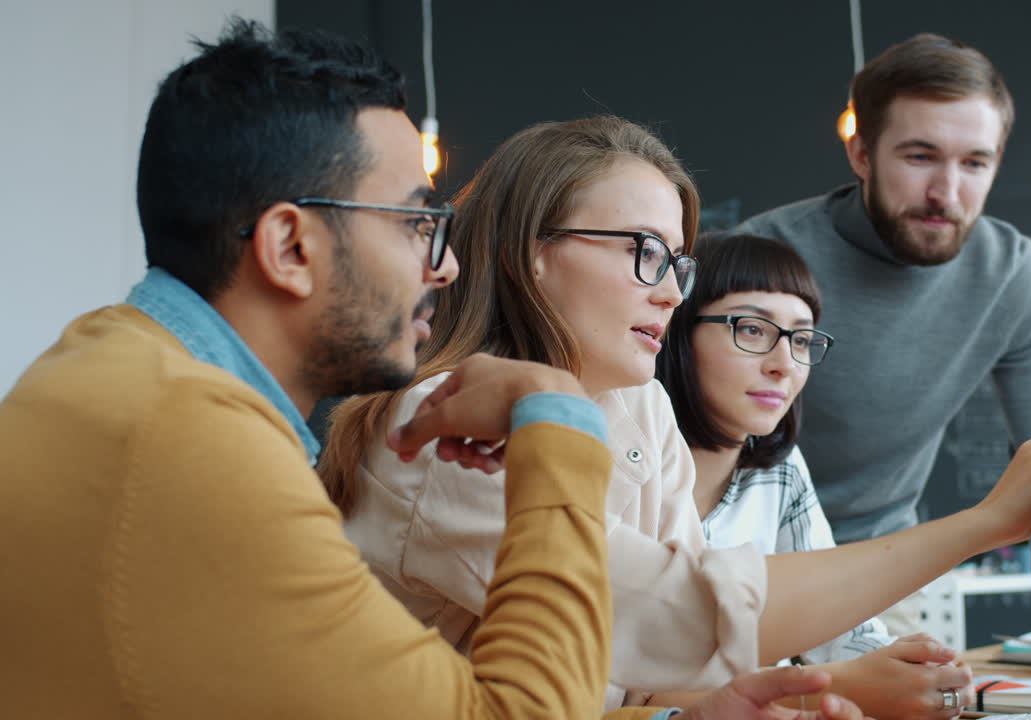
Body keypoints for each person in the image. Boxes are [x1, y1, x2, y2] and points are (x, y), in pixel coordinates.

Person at [0, 19, 862, 720]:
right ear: (291, 246)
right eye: (414, 223)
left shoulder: (120, 376)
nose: (443, 265)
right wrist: (552, 410)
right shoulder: (192, 445)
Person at [321, 115, 1031, 710]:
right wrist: (984, 523)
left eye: (676, 260)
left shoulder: (638, 408)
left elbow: (654, 676)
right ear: (529, 251)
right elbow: (677, 613)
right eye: (642, 252)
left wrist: (751, 697)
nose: (671, 288)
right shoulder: (444, 424)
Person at [737, 32, 1031, 678]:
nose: (947, 191)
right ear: (860, 152)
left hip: (885, 580)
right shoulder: (761, 257)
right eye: (920, 156)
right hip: (743, 576)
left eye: (975, 164)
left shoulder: (1010, 275)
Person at [653, 232, 979, 719]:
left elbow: (839, 627)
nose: (784, 365)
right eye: (752, 329)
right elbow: (634, 685)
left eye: (801, 339)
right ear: (676, 331)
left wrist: (913, 670)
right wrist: (839, 685)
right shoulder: (624, 465)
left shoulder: (779, 472)